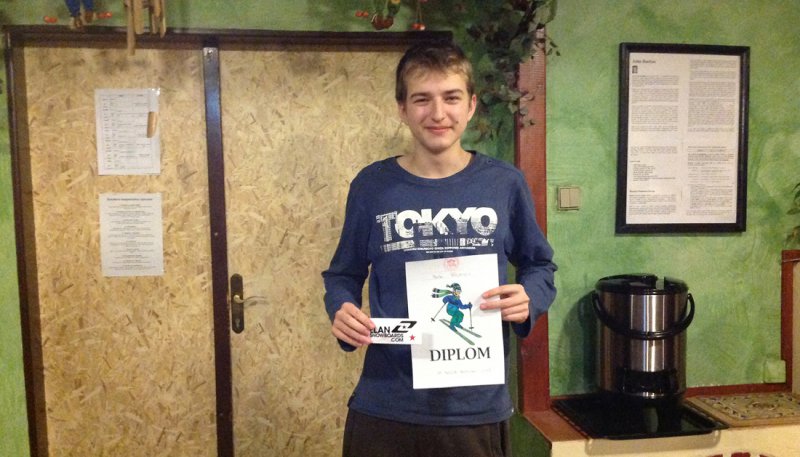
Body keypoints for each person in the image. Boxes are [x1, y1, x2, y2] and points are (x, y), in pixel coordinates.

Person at [322, 39, 557, 457]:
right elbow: (343, 274)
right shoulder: (372, 186)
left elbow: (539, 265)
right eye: (421, 99)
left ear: (471, 105)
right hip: (386, 403)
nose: (437, 113)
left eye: (451, 97)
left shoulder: (504, 184)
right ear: (402, 108)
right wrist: (341, 309)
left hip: (474, 408)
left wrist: (529, 298)